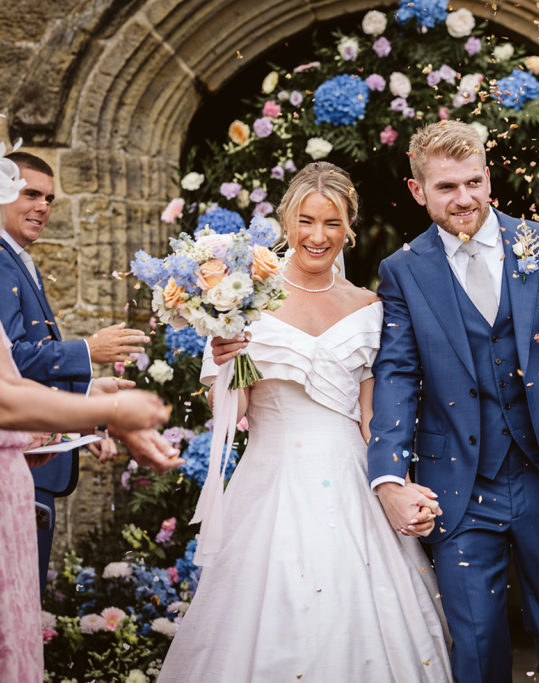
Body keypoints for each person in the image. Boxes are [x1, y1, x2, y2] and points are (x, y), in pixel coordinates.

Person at [158, 162, 452, 681]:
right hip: (273, 481)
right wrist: (225, 360)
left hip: (353, 479)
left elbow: (371, 419)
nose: (319, 236)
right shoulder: (243, 301)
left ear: (349, 226)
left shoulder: (369, 307)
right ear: (287, 222)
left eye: (332, 223)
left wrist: (398, 483)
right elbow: (234, 412)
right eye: (306, 221)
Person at [368, 121, 539, 682]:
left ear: (488, 179)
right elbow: (396, 376)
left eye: (472, 182)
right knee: (476, 647)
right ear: (418, 191)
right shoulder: (403, 271)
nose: (463, 198)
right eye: (446, 187)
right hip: (457, 485)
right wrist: (389, 478)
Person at [0, 153, 171, 683]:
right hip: (17, 463)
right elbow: (14, 368)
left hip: (37, 457)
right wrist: (86, 353)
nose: (43, 206)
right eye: (30, 193)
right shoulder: (0, 261)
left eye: (50, 198)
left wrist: (87, 404)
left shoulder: (18, 260)